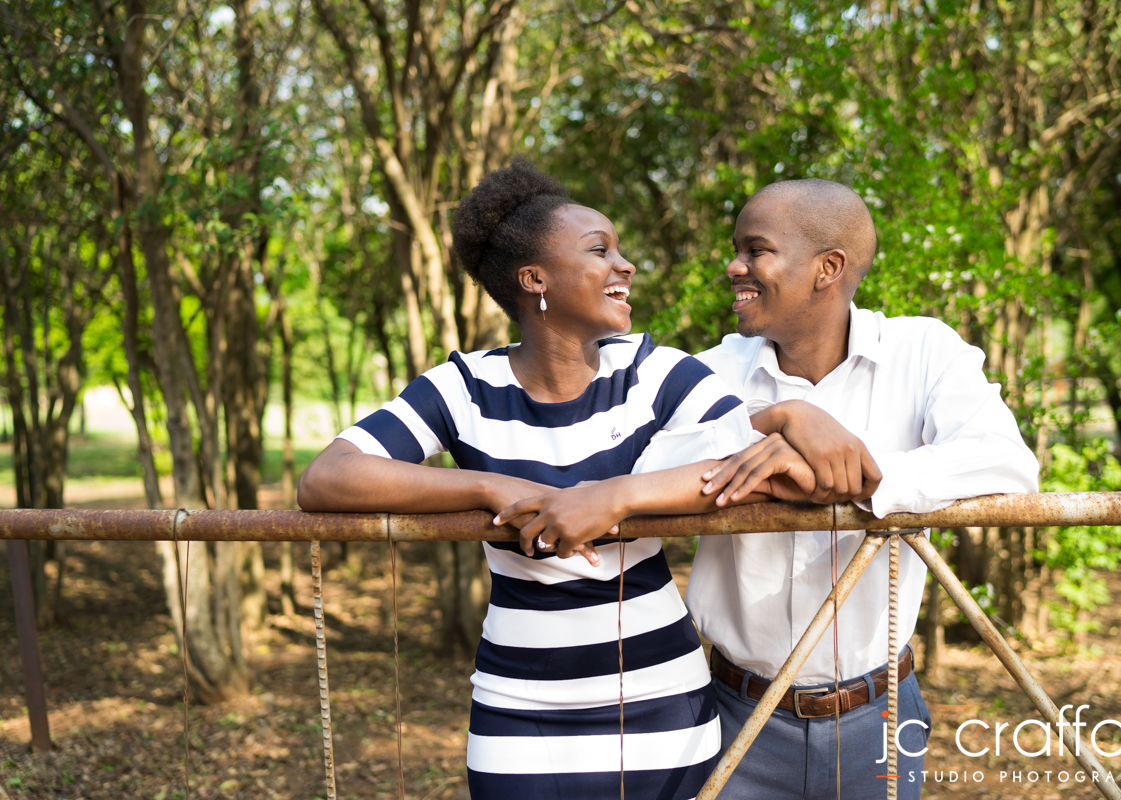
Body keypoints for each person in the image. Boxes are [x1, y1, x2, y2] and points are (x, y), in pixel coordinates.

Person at [297, 159, 813, 800]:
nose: (625, 266)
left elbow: (769, 462)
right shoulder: (463, 387)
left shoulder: (653, 374)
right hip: (520, 710)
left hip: (661, 705)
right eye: (601, 250)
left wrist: (614, 498)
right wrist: (488, 486)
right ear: (534, 278)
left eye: (620, 251)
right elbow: (328, 477)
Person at [688, 178, 1041, 800]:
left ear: (829, 268)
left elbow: (1009, 465)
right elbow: (650, 469)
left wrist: (864, 478)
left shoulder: (924, 351)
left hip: (880, 715)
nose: (733, 266)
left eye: (755, 249)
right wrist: (779, 431)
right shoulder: (711, 372)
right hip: (733, 714)